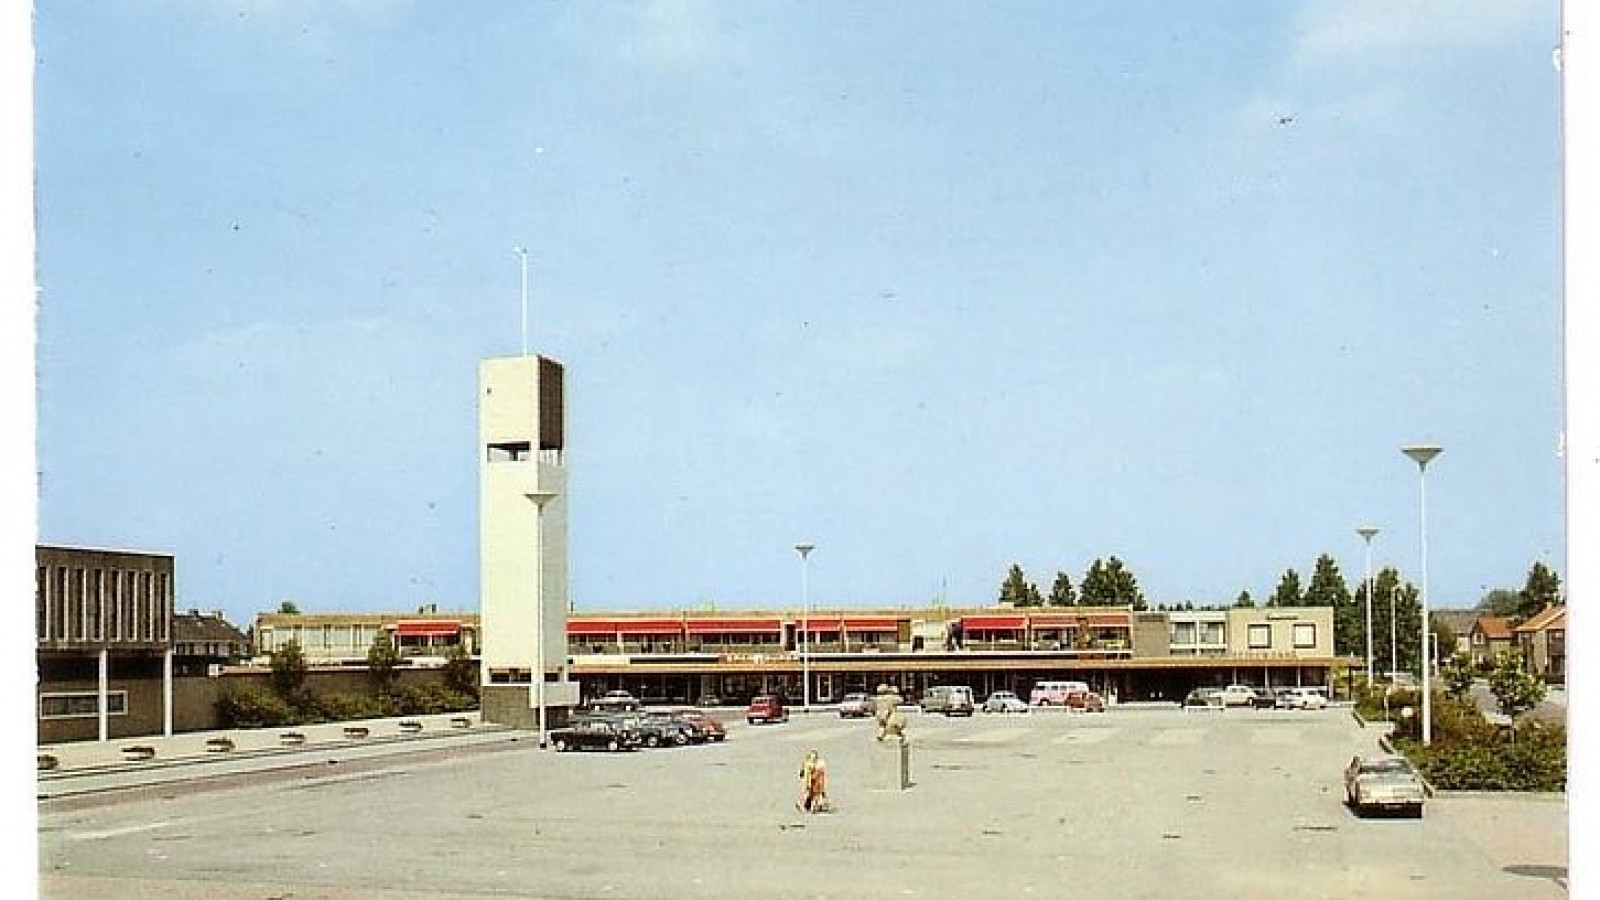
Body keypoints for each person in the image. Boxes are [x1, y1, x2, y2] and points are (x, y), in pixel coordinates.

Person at [797, 748, 831, 813]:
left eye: (814, 757)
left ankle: (816, 806)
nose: (813, 759)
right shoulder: (807, 764)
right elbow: (803, 773)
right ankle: (808, 805)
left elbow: (820, 774)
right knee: (809, 793)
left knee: (816, 793)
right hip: (810, 780)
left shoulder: (818, 764)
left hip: (816, 780)